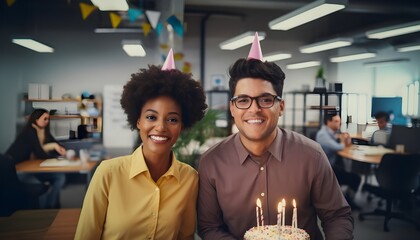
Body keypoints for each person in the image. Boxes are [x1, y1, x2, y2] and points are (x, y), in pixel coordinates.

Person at [197, 33, 353, 240]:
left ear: (281, 107)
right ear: (232, 108)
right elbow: (209, 227)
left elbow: (337, 216)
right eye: (243, 100)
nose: (254, 109)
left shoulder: (311, 155)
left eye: (265, 99)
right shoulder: (212, 162)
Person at [74, 49, 207, 240]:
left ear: (182, 126)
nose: (160, 127)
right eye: (151, 117)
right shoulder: (108, 173)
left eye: (172, 120)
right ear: (138, 121)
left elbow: (185, 236)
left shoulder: (189, 179)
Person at [5, 108, 67, 209]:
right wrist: (56, 158)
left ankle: (50, 205)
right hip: (18, 170)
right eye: (45, 119)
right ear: (36, 119)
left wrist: (60, 148)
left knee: (60, 177)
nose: (47, 121)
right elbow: (39, 153)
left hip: (33, 168)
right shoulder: (30, 131)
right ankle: (44, 211)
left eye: (48, 119)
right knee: (40, 186)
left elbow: (55, 142)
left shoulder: (44, 130)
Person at [315, 112, 362, 210]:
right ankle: (348, 201)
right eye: (336, 121)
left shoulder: (330, 133)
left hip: (333, 167)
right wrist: (342, 140)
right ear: (328, 122)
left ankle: (345, 199)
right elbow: (338, 147)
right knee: (355, 179)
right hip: (327, 170)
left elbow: (344, 145)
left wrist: (345, 139)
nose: (339, 124)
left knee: (352, 174)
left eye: (339, 121)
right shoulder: (322, 135)